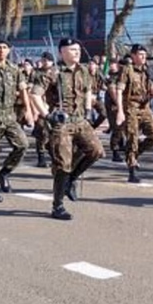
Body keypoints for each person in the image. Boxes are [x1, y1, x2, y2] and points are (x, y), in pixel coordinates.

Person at [31, 37, 104, 220]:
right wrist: (47, 115)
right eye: (72, 50)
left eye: (78, 49)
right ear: (62, 52)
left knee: (96, 151)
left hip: (80, 120)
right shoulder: (53, 73)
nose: (77, 52)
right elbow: (35, 95)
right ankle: (58, 205)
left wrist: (88, 110)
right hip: (61, 123)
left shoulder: (84, 71)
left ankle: (71, 179)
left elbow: (88, 91)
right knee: (62, 164)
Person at [0, 39, 33, 203]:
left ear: (9, 50)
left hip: (9, 116)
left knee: (23, 145)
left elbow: (23, 91)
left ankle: (4, 173)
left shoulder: (14, 69)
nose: (1, 50)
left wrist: (28, 111)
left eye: (4, 48)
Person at [115, 44, 153, 183]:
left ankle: (135, 154)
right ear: (133, 56)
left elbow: (151, 87)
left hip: (144, 106)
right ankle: (132, 169)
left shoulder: (147, 71)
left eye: (145, 55)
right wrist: (120, 111)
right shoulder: (127, 70)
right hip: (131, 107)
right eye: (140, 54)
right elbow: (119, 90)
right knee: (132, 137)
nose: (143, 57)